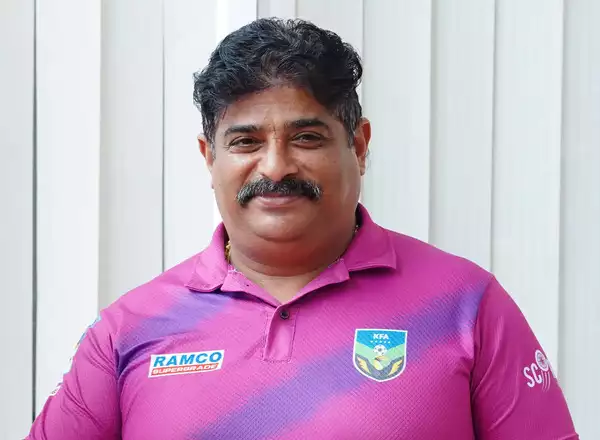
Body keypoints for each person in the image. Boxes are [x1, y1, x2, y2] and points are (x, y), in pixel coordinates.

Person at [28, 18, 578, 440]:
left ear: (358, 146)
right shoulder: (129, 329)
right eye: (246, 142)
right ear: (209, 157)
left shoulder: (467, 306)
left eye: (306, 138)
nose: (274, 168)